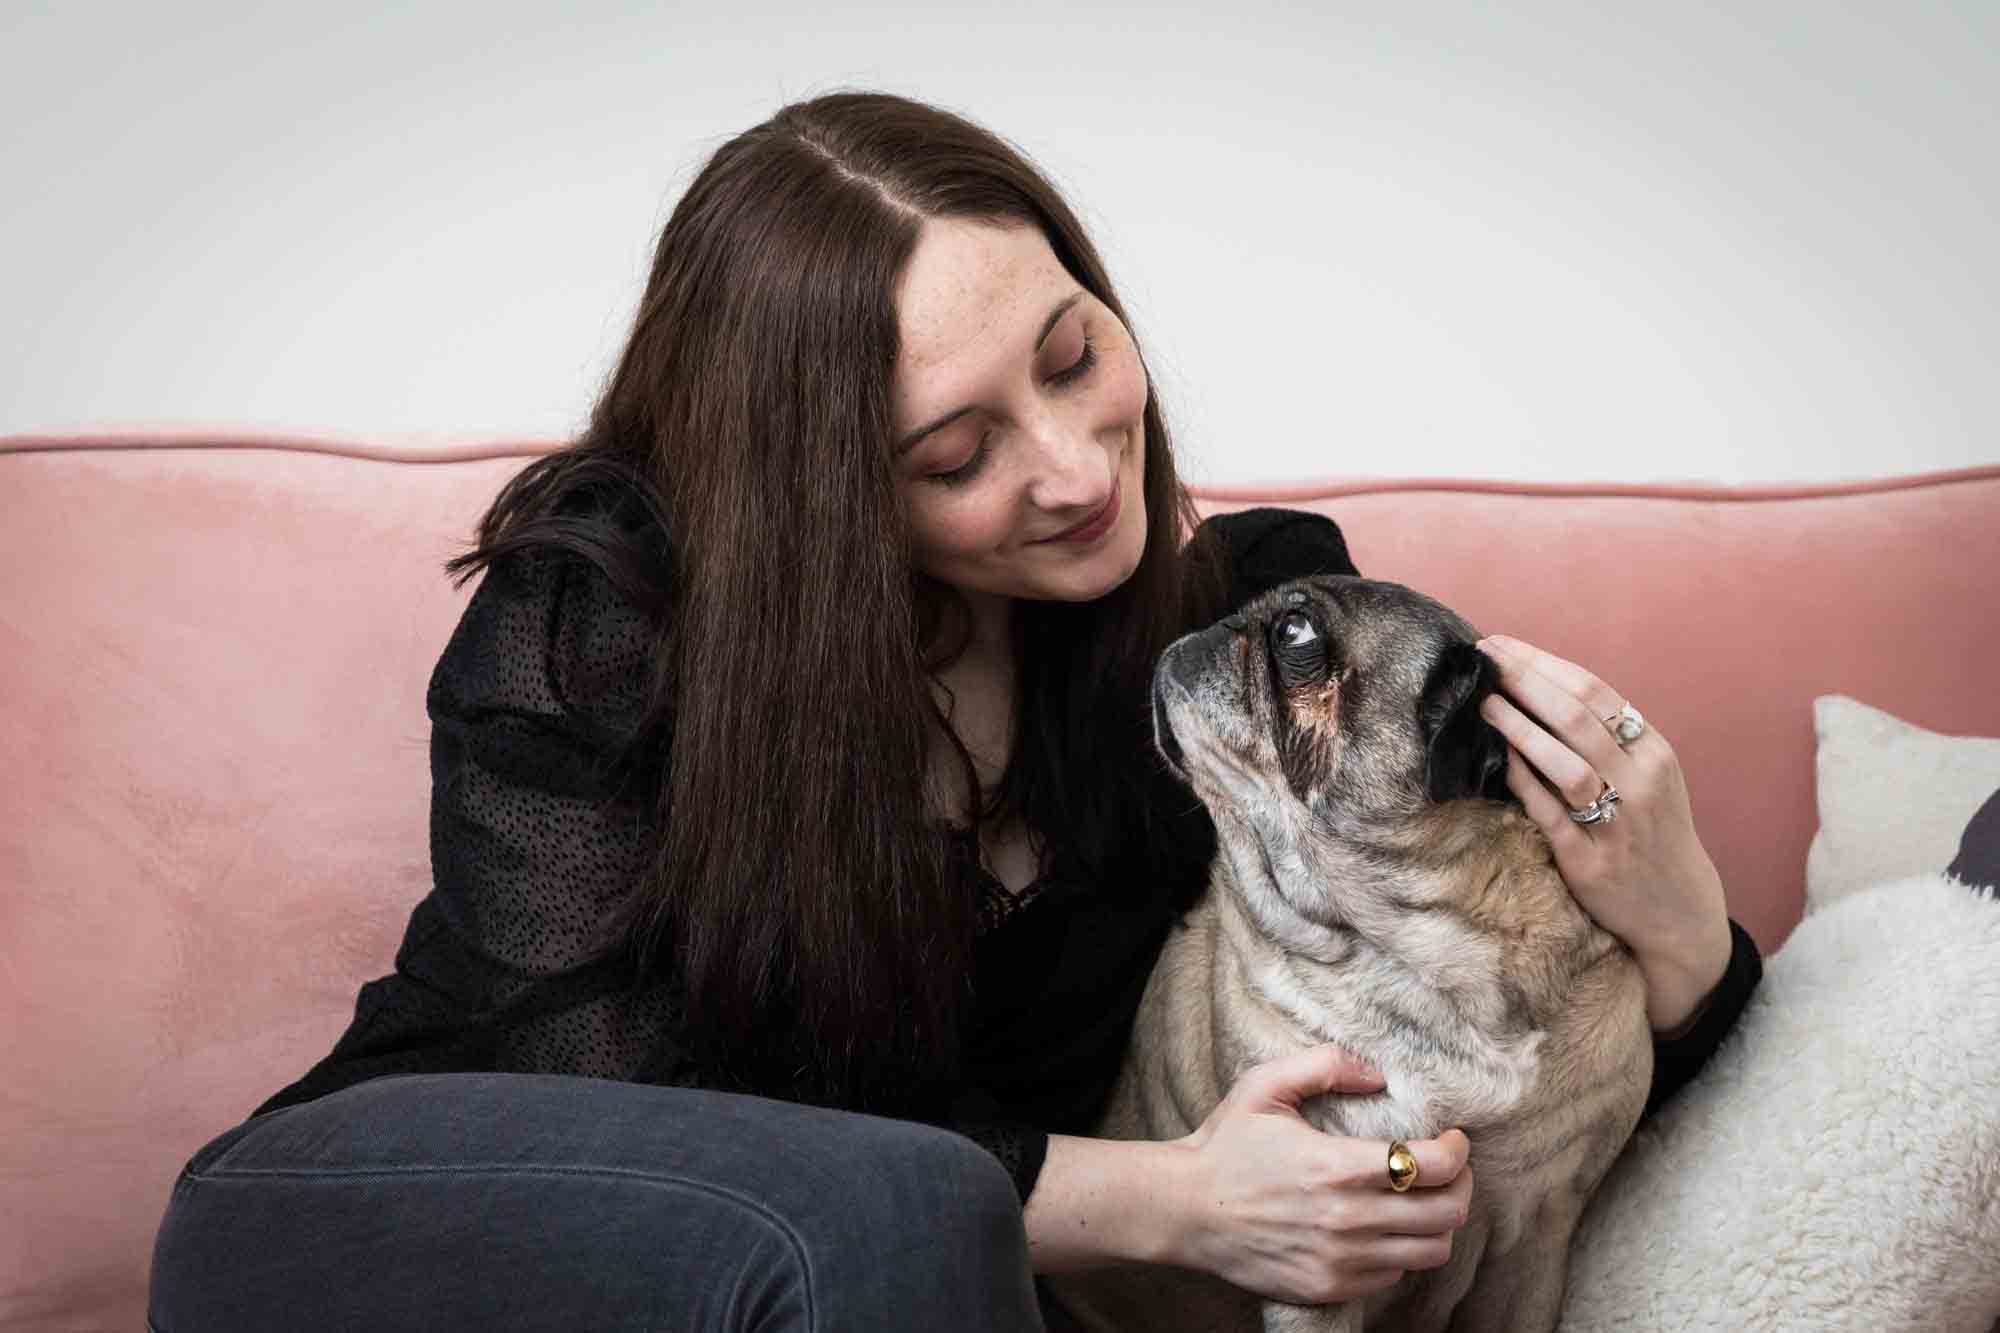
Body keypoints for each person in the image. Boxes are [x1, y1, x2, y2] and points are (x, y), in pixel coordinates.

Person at [146, 90, 1762, 1332]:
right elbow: (614, 1094)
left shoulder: (1238, 652)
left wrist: (1675, 910)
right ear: (818, 497)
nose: (1071, 467)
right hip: (392, 1224)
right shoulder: (607, 619)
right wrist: (1175, 1202)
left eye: (1072, 355)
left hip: (868, 1298)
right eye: (952, 454)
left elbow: (1523, 1085)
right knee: (914, 1216)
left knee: (929, 1252)